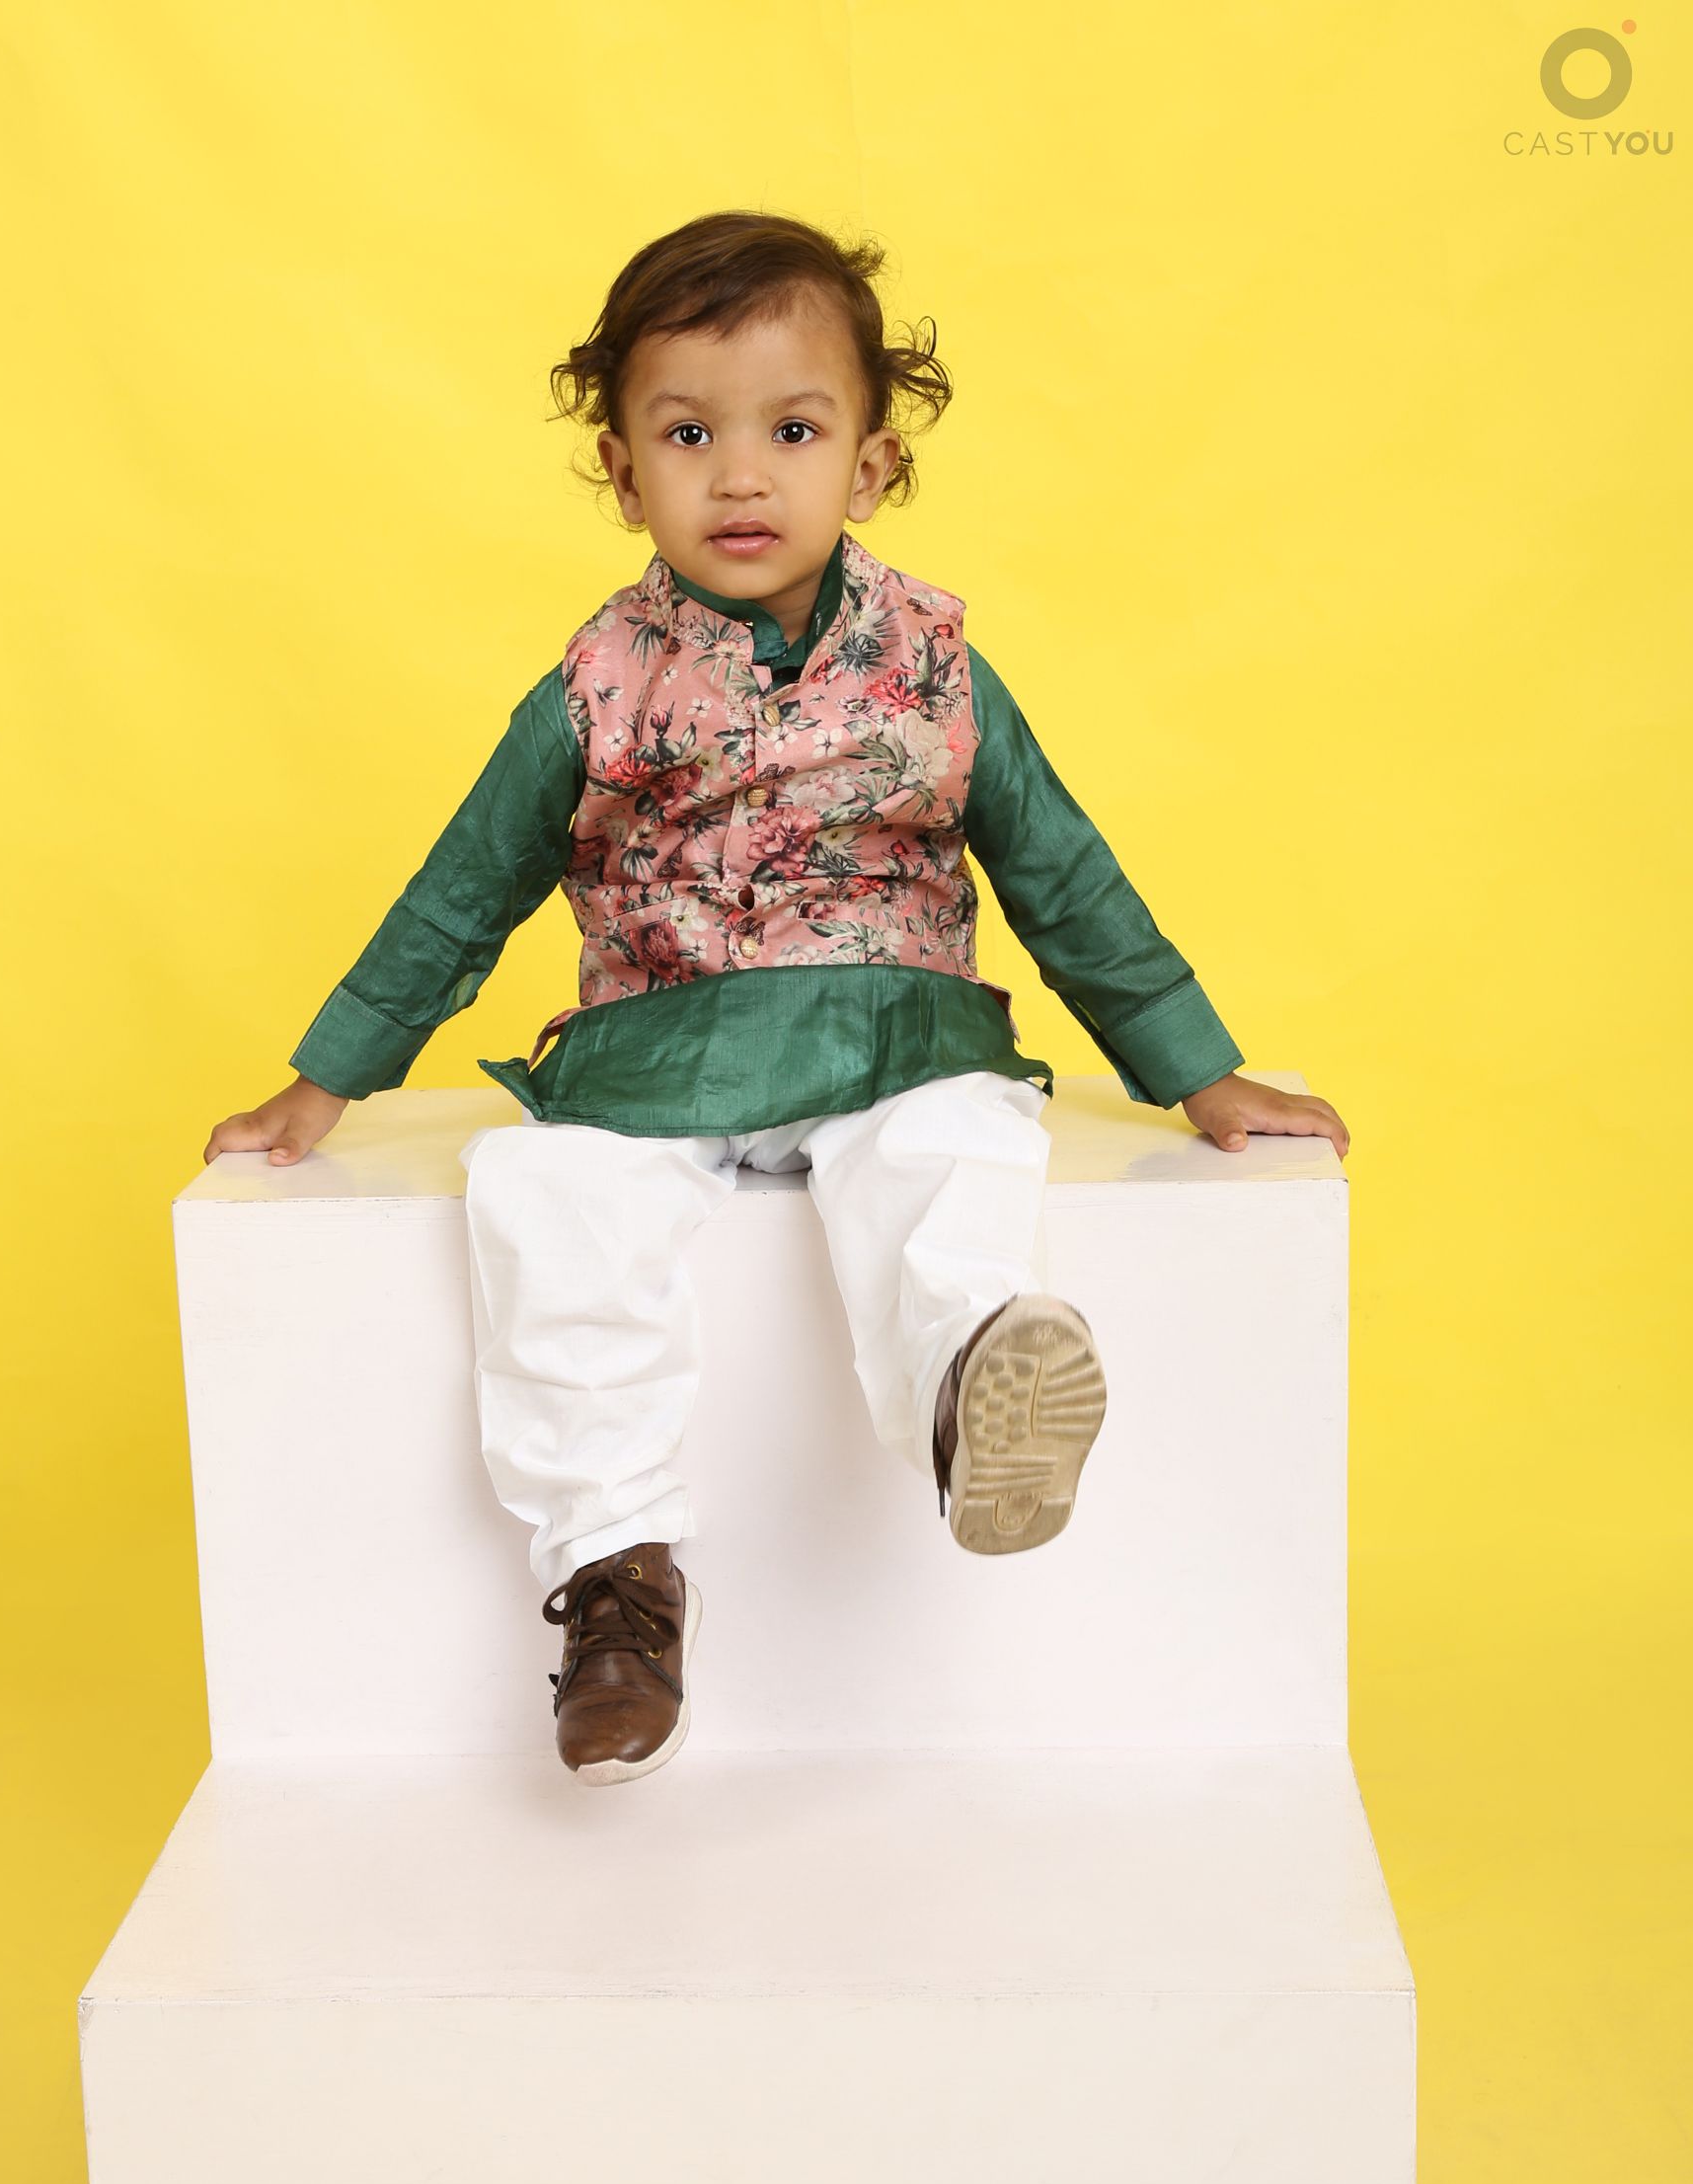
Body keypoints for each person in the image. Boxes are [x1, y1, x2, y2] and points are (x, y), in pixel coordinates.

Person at [203, 210, 1348, 1788]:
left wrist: (1198, 1071)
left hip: (893, 1030)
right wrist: (325, 1078)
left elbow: (1063, 876)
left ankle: (970, 1385)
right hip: (654, 1052)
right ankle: (617, 1580)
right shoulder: (597, 686)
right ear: (623, 473)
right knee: (544, 1194)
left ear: (871, 466)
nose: (741, 477)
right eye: (690, 436)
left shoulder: (937, 669)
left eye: (792, 433)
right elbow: (464, 888)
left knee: (957, 1147)